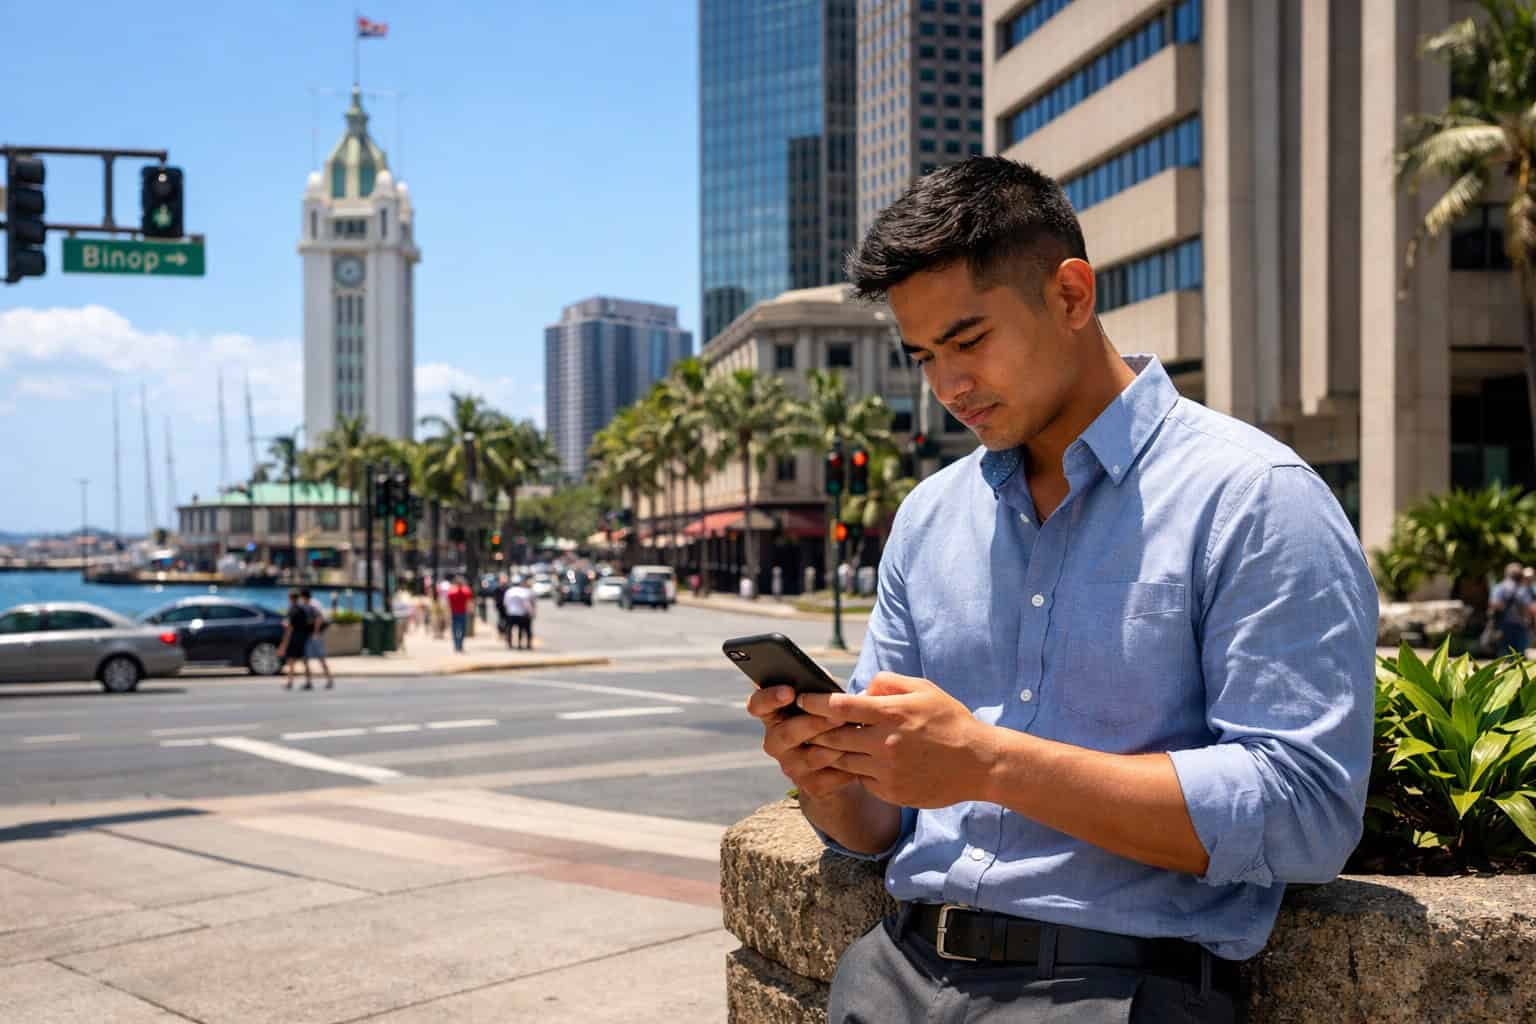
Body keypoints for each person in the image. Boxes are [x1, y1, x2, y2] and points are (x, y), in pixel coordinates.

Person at [748, 158, 1377, 1023]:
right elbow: (877, 825)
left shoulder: (1255, 495)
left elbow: (1306, 812)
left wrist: (991, 764)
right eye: (925, 356)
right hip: (893, 974)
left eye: (968, 341)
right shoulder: (931, 515)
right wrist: (829, 776)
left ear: (1072, 296)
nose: (946, 388)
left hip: (1111, 989)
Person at [1488, 562, 1532, 656]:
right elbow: (1528, 607)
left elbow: (1493, 604)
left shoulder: (1500, 587)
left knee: (1504, 656)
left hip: (1503, 626)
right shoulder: (1523, 589)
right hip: (1520, 626)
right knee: (1519, 656)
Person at [277, 589, 315, 691]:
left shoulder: (292, 610)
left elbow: (289, 628)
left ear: (290, 599)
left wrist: (283, 644)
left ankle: (290, 682)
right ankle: (308, 682)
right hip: (302, 638)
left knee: (291, 660)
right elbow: (308, 623)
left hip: (294, 639)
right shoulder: (302, 609)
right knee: (303, 661)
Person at [300, 588, 334, 690]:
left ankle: (314, 681)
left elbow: (319, 618)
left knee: (315, 658)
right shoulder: (314, 603)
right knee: (313, 659)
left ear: (303, 597)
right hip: (313, 635)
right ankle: (324, 680)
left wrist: (315, 633)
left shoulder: (311, 605)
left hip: (313, 636)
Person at [502, 574, 535, 650]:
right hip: (521, 613)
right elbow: (527, 604)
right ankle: (520, 644)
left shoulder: (509, 591)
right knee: (521, 629)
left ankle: (509, 644)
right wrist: (531, 613)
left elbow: (505, 603)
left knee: (510, 628)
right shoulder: (524, 591)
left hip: (511, 613)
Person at [445, 575, 474, 652]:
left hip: (458, 612)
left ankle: (458, 645)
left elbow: (448, 603)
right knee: (460, 629)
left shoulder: (453, 591)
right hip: (459, 612)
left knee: (457, 630)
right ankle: (458, 645)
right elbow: (469, 602)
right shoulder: (464, 590)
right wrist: (470, 610)